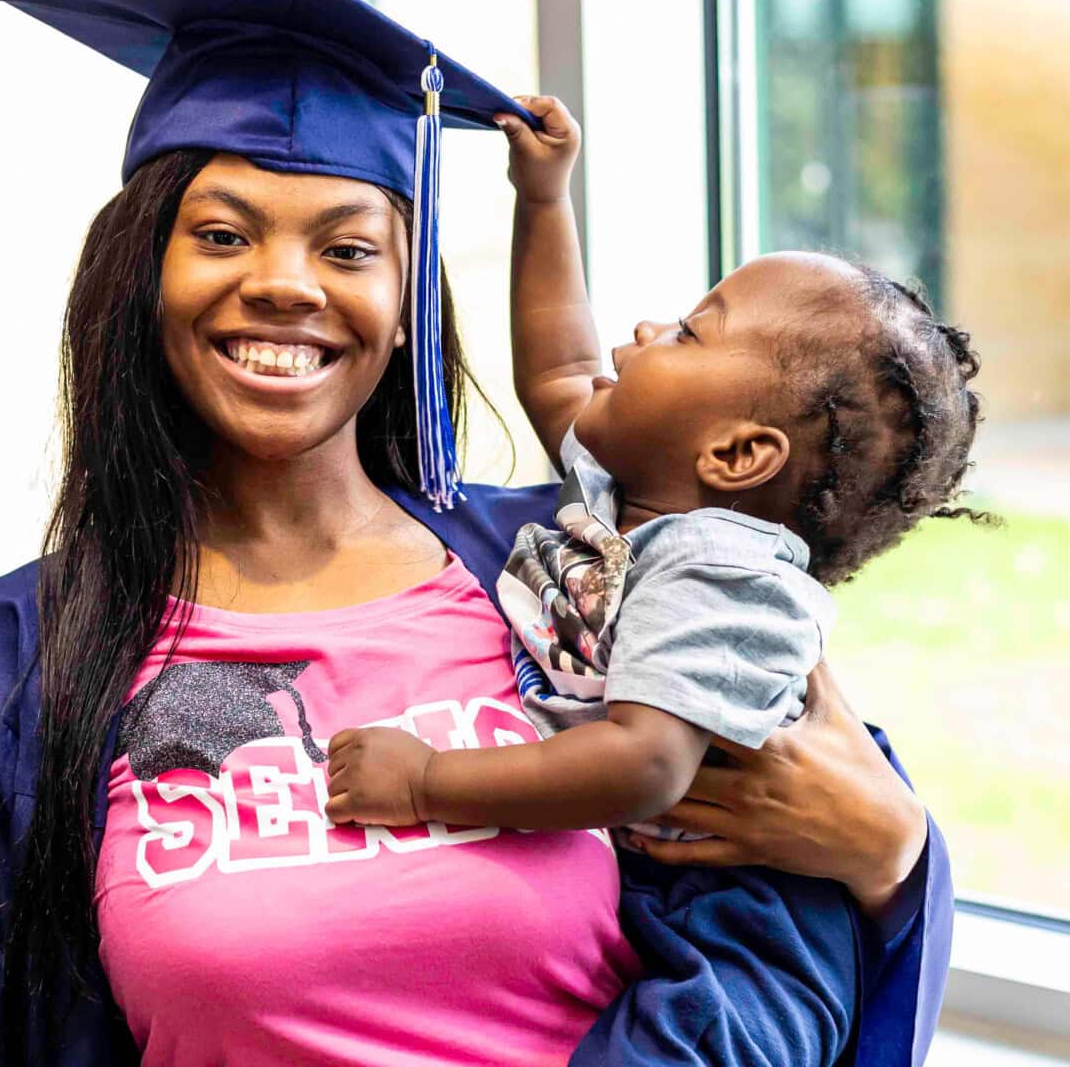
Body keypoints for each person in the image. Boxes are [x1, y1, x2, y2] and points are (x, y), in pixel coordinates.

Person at [0, 0, 949, 1067]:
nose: (287, 284)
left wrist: (894, 852)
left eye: (347, 248)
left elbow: (790, 923)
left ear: (402, 316)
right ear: (141, 277)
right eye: (224, 235)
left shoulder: (579, 578)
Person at [324, 96, 987, 855]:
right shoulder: (626, 504)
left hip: (713, 908)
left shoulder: (717, 575)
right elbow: (560, 373)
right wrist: (543, 198)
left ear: (737, 456)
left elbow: (646, 764)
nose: (645, 330)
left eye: (689, 332)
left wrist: (427, 781)